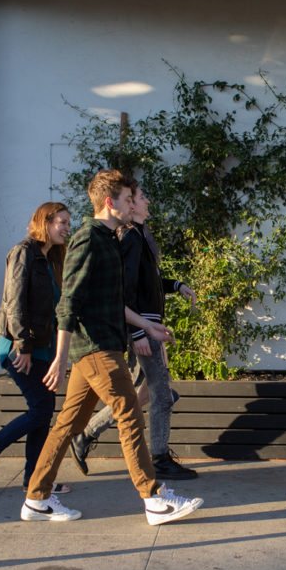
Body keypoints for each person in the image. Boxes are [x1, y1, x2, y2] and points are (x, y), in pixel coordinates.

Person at [20, 169, 203, 525]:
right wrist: (59, 358)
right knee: (130, 413)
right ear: (110, 202)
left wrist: (147, 325)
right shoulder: (88, 238)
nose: (133, 203)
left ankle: (36, 498)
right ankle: (153, 498)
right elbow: (69, 301)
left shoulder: (111, 239)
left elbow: (115, 300)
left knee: (67, 425)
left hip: (105, 344)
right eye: (127, 199)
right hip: (95, 347)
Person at [69, 186, 199, 480]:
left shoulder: (140, 236)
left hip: (146, 323)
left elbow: (146, 281)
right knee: (162, 396)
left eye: (136, 198)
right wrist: (137, 333)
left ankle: (85, 435)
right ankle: (159, 459)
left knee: (138, 396)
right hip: (142, 326)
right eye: (140, 198)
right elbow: (123, 288)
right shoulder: (130, 236)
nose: (144, 201)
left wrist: (176, 285)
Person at [0, 202, 72, 494]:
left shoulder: (52, 258)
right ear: (45, 222)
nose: (66, 227)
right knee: (40, 410)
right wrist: (22, 346)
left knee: (43, 410)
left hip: (42, 346)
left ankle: (34, 480)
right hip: (19, 345)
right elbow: (14, 302)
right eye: (61, 222)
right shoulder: (24, 252)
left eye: (67, 223)